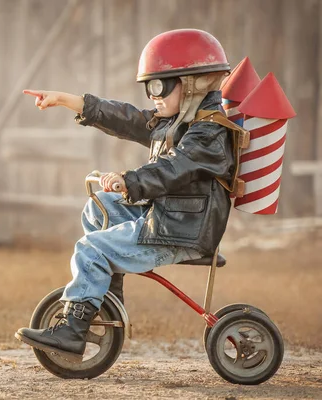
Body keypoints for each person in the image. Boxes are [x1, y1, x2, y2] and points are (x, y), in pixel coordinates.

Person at [15, 29, 236, 364]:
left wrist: (128, 180)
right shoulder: (179, 120)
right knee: (98, 207)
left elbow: (173, 167)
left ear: (193, 83)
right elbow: (129, 119)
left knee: (91, 247)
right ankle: (105, 296)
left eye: (159, 86)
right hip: (172, 218)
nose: (153, 96)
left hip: (182, 232)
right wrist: (69, 100)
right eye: (149, 87)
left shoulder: (208, 132)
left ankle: (73, 331)